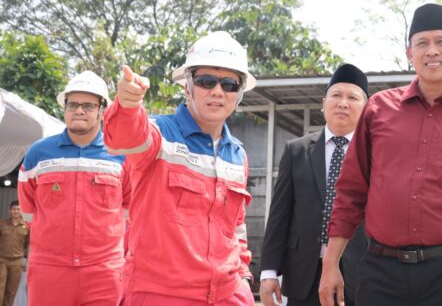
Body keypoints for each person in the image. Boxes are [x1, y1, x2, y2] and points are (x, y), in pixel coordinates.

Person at [319, 3, 442, 306]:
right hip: (381, 272)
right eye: (422, 43)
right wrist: (331, 264)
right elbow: (351, 190)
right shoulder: (378, 109)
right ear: (409, 53)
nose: (432, 51)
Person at [104, 31, 256, 305]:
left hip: (227, 294)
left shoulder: (237, 155)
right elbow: (125, 138)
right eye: (206, 81)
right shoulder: (160, 135)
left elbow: (236, 227)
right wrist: (128, 104)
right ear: (188, 86)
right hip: (161, 295)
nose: (217, 91)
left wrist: (243, 278)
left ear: (239, 94)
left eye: (229, 84)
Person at [260, 64, 370, 306]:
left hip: (359, 274)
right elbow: (280, 214)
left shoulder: (375, 155)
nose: (343, 103)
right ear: (323, 103)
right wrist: (269, 271)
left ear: (366, 108)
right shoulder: (296, 151)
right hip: (304, 274)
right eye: (336, 95)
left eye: (352, 98)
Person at [18, 70, 126, 305]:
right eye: (73, 104)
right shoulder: (38, 153)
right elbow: (28, 211)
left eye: (88, 105)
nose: (79, 110)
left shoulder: (120, 155)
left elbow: (130, 209)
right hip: (49, 270)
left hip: (104, 272)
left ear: (102, 111)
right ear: (65, 108)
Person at [0, 201, 29, 306]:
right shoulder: (2, 224)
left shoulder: (26, 226)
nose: (16, 211)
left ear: (21, 211)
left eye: (18, 209)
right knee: (0, 288)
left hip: (17, 262)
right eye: (13, 209)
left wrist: (29, 261)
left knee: (11, 291)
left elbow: (29, 245)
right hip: (2, 260)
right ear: (10, 211)